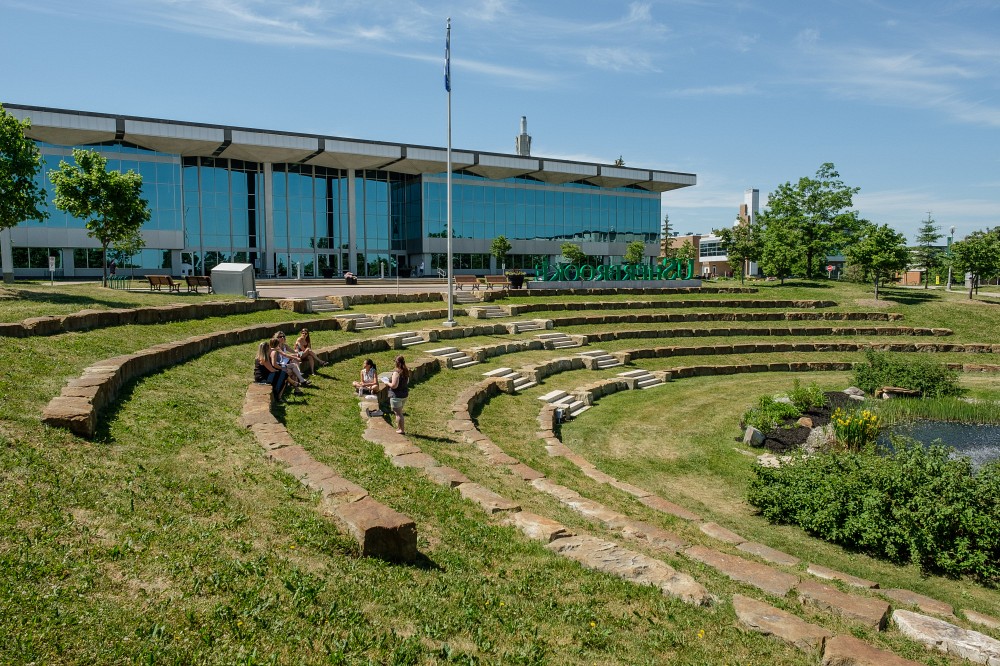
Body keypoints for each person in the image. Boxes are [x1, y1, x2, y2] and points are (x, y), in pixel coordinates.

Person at [386, 355, 409, 434]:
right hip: (404, 395)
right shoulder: (405, 371)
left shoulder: (396, 372)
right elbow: (407, 382)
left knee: (398, 414)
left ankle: (401, 430)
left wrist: (387, 382)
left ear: (396, 363)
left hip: (396, 396)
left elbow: (394, 386)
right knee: (400, 412)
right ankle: (400, 428)